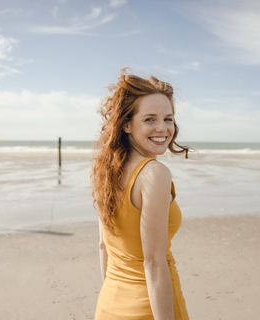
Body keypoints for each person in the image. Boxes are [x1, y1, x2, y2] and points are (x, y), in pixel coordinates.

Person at [92, 68, 190, 320]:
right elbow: (154, 264)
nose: (163, 128)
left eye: (168, 119)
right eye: (150, 119)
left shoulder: (106, 170)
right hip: (149, 309)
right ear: (126, 124)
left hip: (109, 305)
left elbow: (103, 246)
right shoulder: (154, 174)